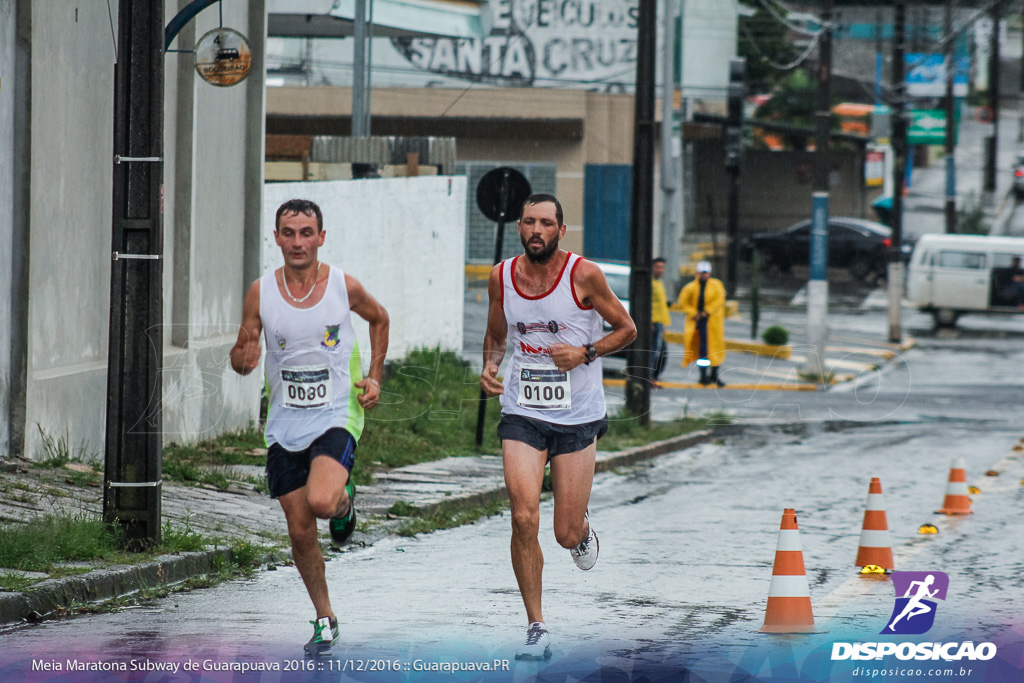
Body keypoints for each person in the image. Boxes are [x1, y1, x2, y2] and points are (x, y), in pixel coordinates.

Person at [230, 198, 390, 658]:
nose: (297, 241)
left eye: (306, 232)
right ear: (276, 238)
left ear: (321, 237)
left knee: (320, 501)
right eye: (288, 232)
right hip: (284, 424)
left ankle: (342, 503)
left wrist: (374, 376)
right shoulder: (261, 292)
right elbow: (242, 354)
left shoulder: (344, 286)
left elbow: (379, 319)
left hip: (337, 414)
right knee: (300, 532)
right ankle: (325, 618)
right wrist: (243, 358)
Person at [480, 193, 636, 661]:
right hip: (523, 411)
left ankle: (581, 531)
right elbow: (497, 334)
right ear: (521, 227)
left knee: (563, 532)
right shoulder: (501, 276)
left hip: (577, 414)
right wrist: (490, 366)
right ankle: (536, 624)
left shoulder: (583, 275)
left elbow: (627, 328)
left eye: (546, 223)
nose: (536, 230)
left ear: (560, 231)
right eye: (529, 222)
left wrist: (586, 353)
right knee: (523, 515)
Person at [678, 261, 726, 387]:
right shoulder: (691, 287)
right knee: (702, 350)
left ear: (709, 273)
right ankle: (703, 374)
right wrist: (694, 313)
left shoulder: (716, 285)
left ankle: (714, 374)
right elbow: (683, 303)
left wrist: (707, 312)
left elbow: (719, 300)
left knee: (715, 349)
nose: (703, 275)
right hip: (698, 323)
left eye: (705, 273)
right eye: (701, 273)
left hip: (712, 323)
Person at [650, 257, 672, 385]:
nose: (660, 270)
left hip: (660, 322)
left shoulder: (659, 283)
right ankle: (650, 378)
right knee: (654, 351)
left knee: (660, 351)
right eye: (658, 267)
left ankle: (653, 377)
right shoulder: (650, 283)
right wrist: (650, 322)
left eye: (662, 268)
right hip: (654, 322)